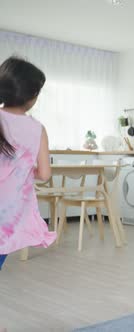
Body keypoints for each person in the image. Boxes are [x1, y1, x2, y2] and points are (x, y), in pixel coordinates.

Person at [0, 56, 55, 271]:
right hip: (8, 218)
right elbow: (44, 174)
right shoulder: (37, 129)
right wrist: (23, 168)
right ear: (32, 96)